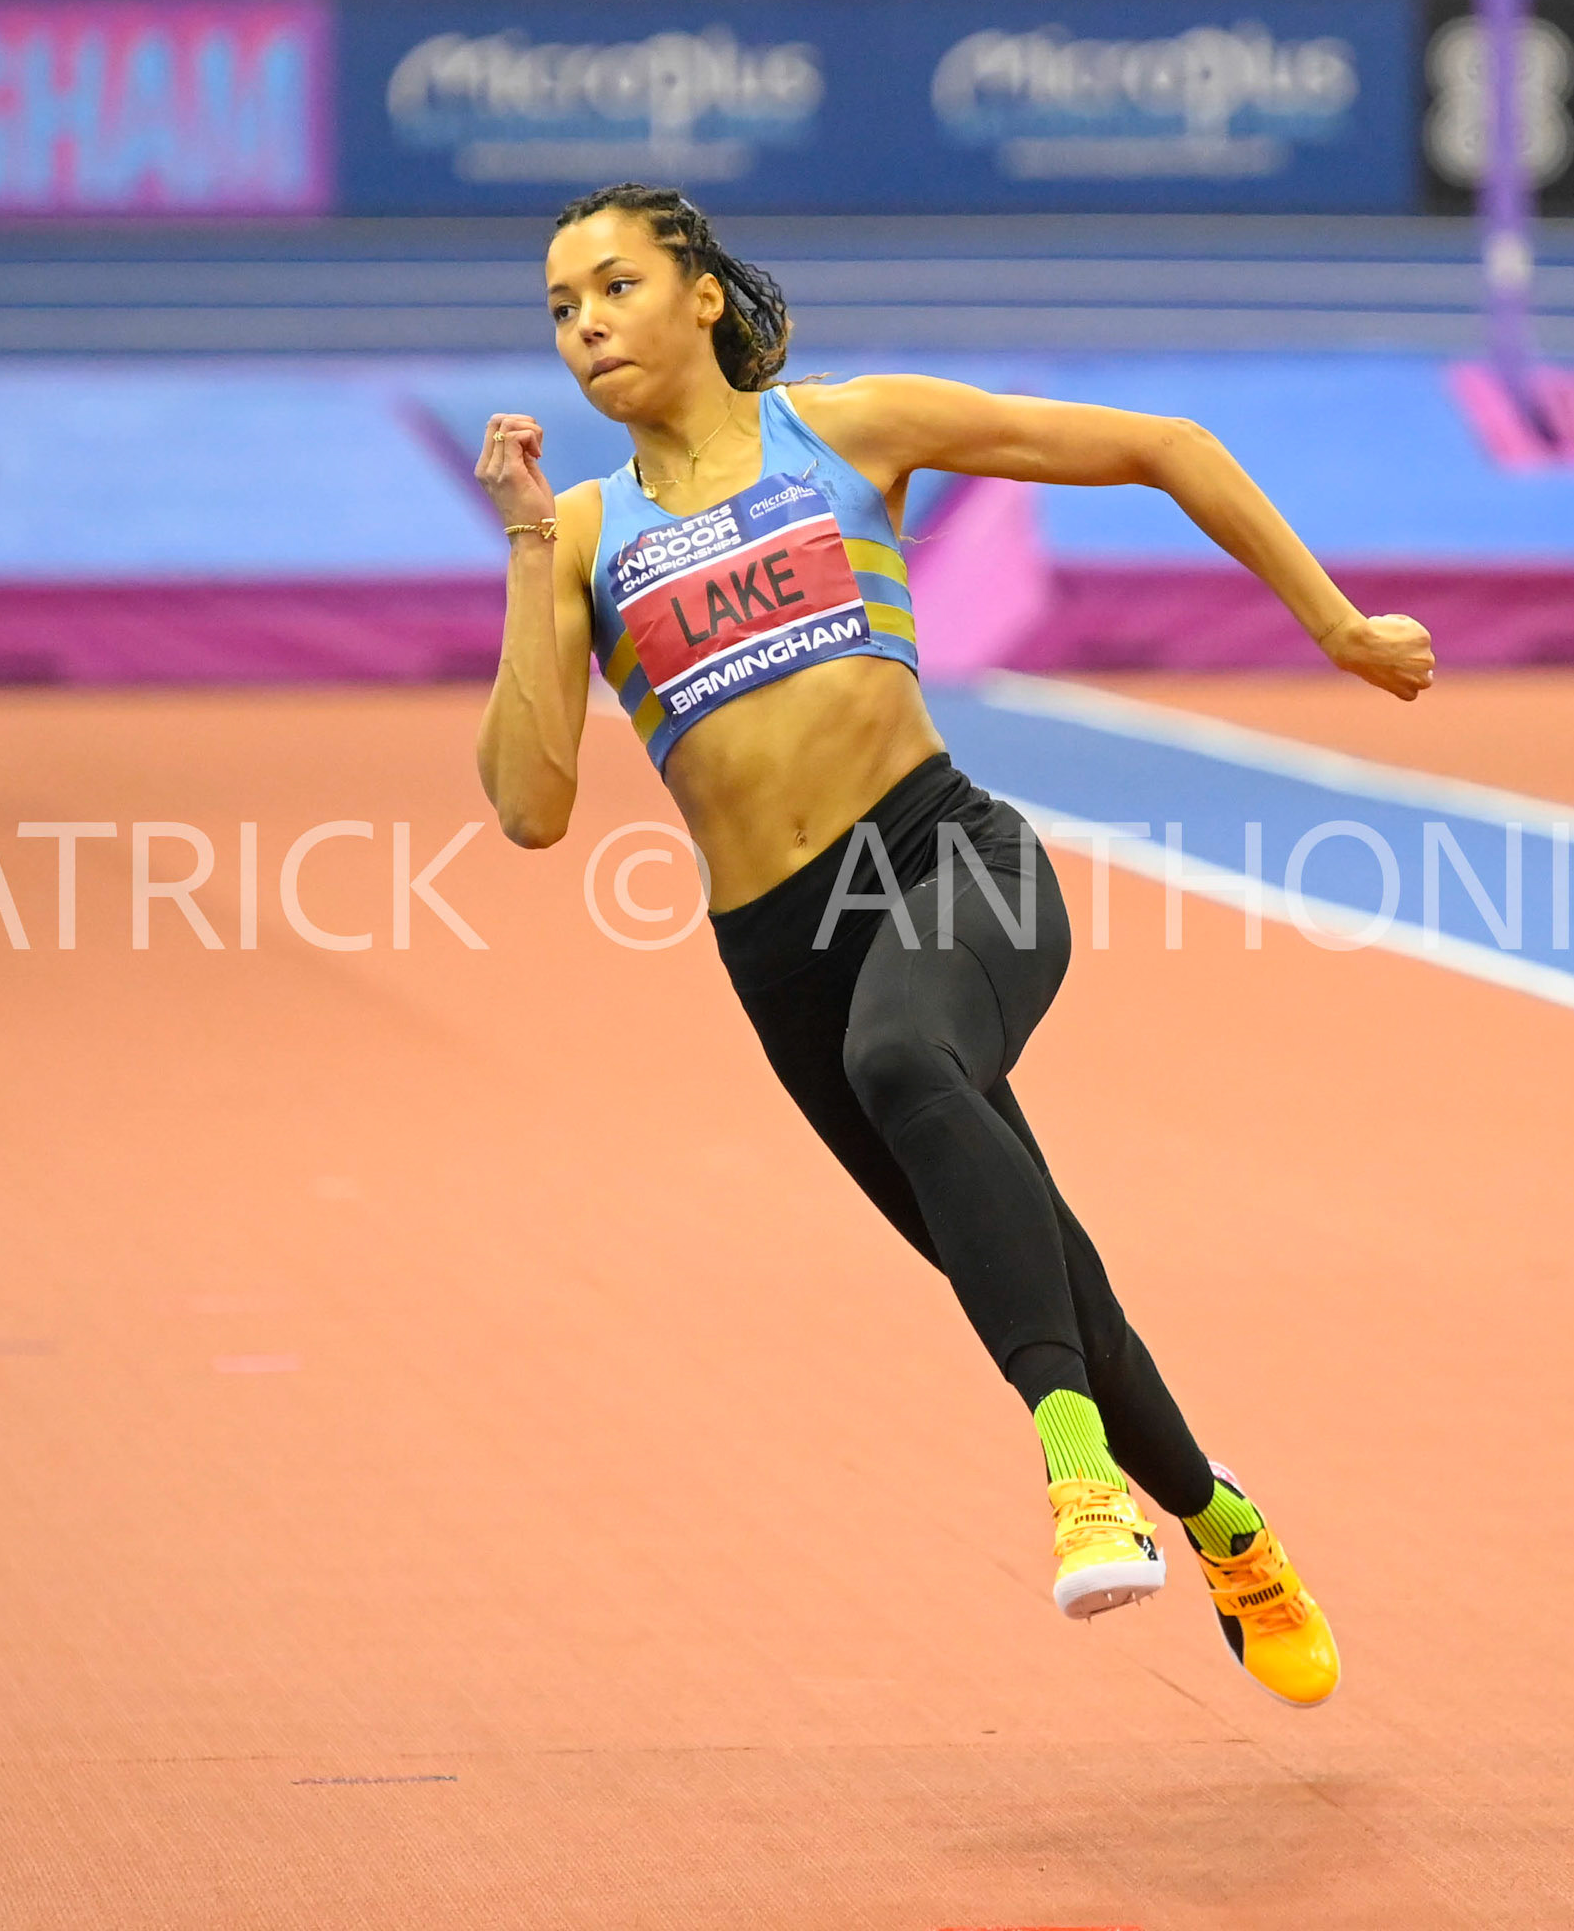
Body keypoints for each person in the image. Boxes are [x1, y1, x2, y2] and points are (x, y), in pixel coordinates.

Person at [475, 183, 1434, 1708]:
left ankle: (1075, 1479)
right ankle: (1224, 1523)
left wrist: (1332, 626)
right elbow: (530, 809)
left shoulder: (847, 433)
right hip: (778, 957)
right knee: (1029, 1265)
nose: (584, 323)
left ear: (702, 296)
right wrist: (530, 555)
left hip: (941, 857)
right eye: (557, 308)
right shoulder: (586, 536)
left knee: (910, 1053)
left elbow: (1163, 448)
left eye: (612, 285)